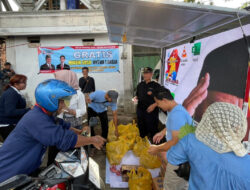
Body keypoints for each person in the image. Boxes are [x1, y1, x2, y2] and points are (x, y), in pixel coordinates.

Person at [0, 79, 106, 183]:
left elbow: (60, 123)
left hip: (26, 170)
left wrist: (78, 132)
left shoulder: (44, 113)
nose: (65, 104)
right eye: (63, 101)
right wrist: (93, 140)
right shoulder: (36, 119)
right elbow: (65, 139)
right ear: (50, 100)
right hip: (9, 175)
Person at [167, 102, 250, 190]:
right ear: (239, 127)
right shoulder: (247, 165)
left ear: (208, 119)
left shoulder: (190, 141)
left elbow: (173, 173)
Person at [148, 86, 193, 190]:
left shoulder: (177, 114)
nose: (158, 106)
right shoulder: (174, 109)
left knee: (171, 187)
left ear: (164, 100)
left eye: (158, 103)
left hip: (179, 161)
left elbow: (174, 141)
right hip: (182, 157)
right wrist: (163, 132)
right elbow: (175, 127)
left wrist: (157, 148)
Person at [0, 74, 30, 141]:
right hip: (7, 125)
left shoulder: (14, 92)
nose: (26, 84)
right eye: (24, 82)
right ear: (16, 84)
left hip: (11, 123)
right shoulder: (11, 94)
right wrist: (29, 109)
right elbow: (10, 112)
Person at [135, 67, 161, 139]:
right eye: (144, 73)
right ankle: (143, 142)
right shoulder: (140, 85)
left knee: (152, 128)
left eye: (147, 73)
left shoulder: (156, 85)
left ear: (151, 74)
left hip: (151, 111)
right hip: (140, 110)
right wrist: (135, 98)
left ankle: (155, 143)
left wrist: (154, 105)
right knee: (141, 126)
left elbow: (162, 98)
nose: (145, 75)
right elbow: (137, 95)